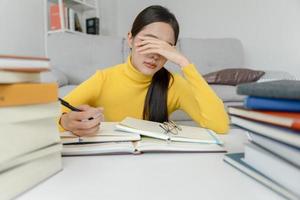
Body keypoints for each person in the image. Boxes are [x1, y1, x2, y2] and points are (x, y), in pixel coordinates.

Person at [59, 5, 229, 136]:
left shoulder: (174, 84)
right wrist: (65, 121)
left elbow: (220, 126)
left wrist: (184, 63)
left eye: (164, 47)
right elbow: (52, 116)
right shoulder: (104, 79)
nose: (155, 54)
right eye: (149, 42)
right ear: (130, 39)